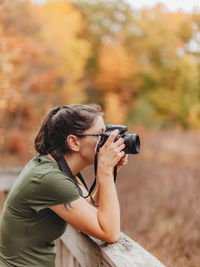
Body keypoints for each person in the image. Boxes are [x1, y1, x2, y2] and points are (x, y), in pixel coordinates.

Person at [0, 104, 128, 267]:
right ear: (74, 142)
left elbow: (89, 207)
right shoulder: (48, 178)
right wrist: (105, 173)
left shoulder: (57, 167)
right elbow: (109, 232)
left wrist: (109, 171)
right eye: (101, 135)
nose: (107, 142)